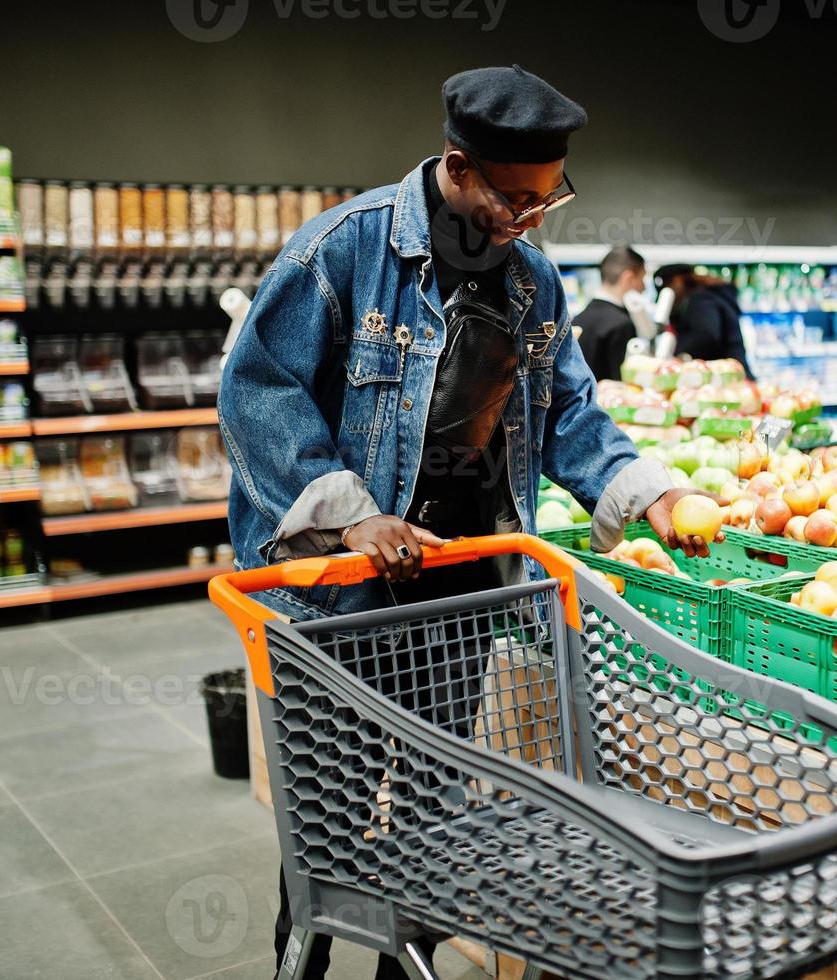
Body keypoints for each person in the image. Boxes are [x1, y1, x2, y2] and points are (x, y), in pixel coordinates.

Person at [219, 64, 718, 980]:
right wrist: (352, 516)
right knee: (325, 821)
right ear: (457, 166)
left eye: (547, 198)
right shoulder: (344, 249)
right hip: (340, 598)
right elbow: (257, 389)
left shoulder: (530, 281)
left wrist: (652, 491)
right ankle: (305, 961)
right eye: (513, 198)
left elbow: (567, 411)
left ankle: (400, 967)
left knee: (428, 817)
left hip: (456, 585)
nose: (529, 219)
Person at [653, 263, 754, 377]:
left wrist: (680, 358)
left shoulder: (701, 300)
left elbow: (706, 335)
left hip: (726, 378)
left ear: (678, 281)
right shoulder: (712, 296)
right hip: (732, 375)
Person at [575, 244, 648, 381]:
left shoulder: (578, 319)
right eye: (642, 279)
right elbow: (621, 382)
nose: (643, 287)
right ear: (629, 278)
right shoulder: (621, 324)